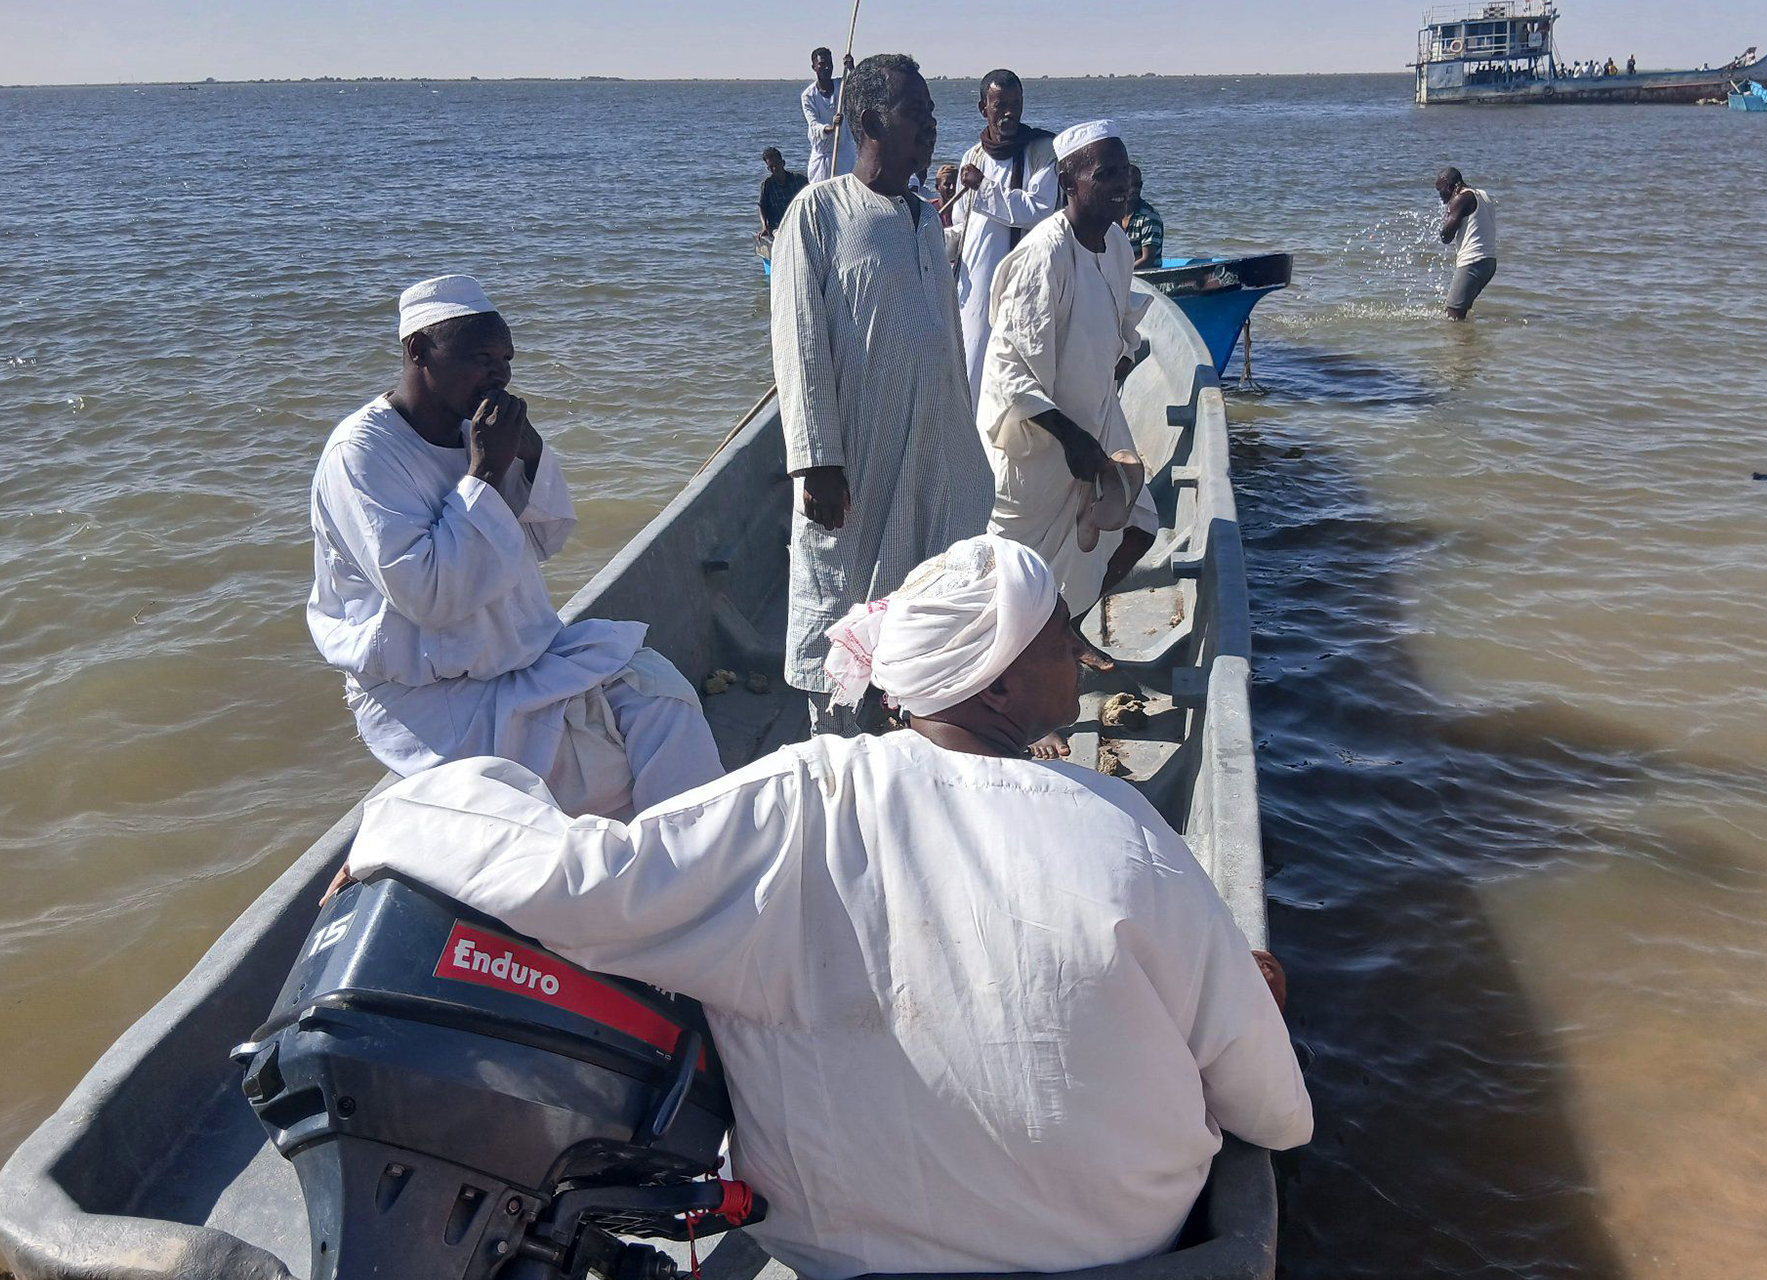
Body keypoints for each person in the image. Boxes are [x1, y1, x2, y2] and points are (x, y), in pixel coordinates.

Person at [337, 533, 1314, 1280]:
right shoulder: (1127, 826)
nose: (1082, 652)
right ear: (1003, 675)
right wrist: (1243, 993)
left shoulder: (801, 796)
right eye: (1063, 633)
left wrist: (402, 817)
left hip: (849, 1252)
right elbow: (1276, 1112)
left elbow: (578, 878)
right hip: (1118, 1250)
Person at [306, 275, 722, 819]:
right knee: (605, 778)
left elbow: (545, 538)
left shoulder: (473, 430)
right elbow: (430, 597)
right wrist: (483, 474)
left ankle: (696, 876)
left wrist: (527, 457)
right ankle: (661, 879)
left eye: (506, 358)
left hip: (519, 655)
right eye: (480, 356)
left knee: (666, 702)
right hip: (430, 695)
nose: (499, 373)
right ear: (418, 352)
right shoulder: (362, 455)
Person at [770, 54, 994, 736]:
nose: (930, 126)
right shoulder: (819, 212)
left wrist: (966, 447)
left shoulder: (927, 219)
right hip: (855, 463)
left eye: (930, 114)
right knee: (843, 622)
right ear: (868, 121)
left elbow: (947, 346)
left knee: (923, 616)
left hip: (930, 454)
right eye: (914, 113)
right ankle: (836, 764)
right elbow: (798, 342)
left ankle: (908, 749)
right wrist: (816, 461)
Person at [978, 119, 1157, 634]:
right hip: (1035, 443)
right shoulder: (1045, 255)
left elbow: (1123, 328)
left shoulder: (1118, 247)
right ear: (1068, 182)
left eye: (1124, 172)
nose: (1121, 184)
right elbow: (1011, 373)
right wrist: (1073, 439)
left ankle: (1066, 629)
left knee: (1138, 525)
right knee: (1014, 576)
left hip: (1096, 424)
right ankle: (1002, 661)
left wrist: (1111, 372)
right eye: (1105, 174)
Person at [946, 69, 1058, 404]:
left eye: (1015, 104)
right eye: (1000, 105)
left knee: (1016, 373)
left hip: (1021, 282)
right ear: (984, 108)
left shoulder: (1040, 151)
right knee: (971, 368)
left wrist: (984, 186)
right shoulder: (973, 157)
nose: (1009, 113)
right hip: (974, 285)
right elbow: (962, 224)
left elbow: (1039, 211)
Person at [1435, 166, 1497, 321]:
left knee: (1452, 315)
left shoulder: (1461, 198)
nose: (1440, 197)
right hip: (1489, 263)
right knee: (1460, 313)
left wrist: (1448, 212)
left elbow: (1446, 236)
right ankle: (1471, 343)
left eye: (1440, 191)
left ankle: (1460, 344)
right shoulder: (1482, 194)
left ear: (1449, 186)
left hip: (1472, 263)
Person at [801, 46, 856, 183]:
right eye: (822, 64)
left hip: (844, 154)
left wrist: (852, 69)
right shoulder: (808, 96)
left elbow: (860, 88)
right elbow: (813, 125)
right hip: (822, 159)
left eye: (829, 64)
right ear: (814, 67)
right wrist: (831, 128)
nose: (827, 68)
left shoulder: (842, 85)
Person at [1122, 162, 1164, 270]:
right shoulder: (1112, 214)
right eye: (1131, 185)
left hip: (1144, 278)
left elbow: (1148, 260)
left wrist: (1121, 273)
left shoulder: (1149, 218)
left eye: (1138, 185)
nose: (1134, 189)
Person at [756, 147, 806, 237]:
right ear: (768, 168)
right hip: (777, 227)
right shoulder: (767, 184)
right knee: (779, 235)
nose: (775, 168)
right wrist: (764, 226)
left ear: (783, 163)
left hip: (798, 223)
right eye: (771, 167)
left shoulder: (799, 180)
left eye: (777, 164)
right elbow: (762, 206)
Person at [934, 161, 959, 227]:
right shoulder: (930, 209)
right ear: (937, 187)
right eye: (947, 184)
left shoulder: (964, 210)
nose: (952, 188)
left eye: (955, 184)